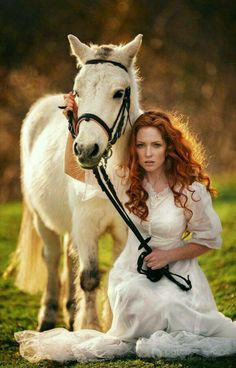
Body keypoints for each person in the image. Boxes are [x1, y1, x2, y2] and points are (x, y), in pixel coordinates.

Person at [15, 94, 236, 362]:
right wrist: (73, 126)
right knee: (135, 298)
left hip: (178, 273)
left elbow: (210, 239)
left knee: (173, 309)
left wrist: (169, 255)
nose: (148, 153)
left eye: (156, 145)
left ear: (169, 147)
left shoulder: (190, 190)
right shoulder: (125, 183)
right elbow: (74, 170)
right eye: (141, 145)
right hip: (133, 273)